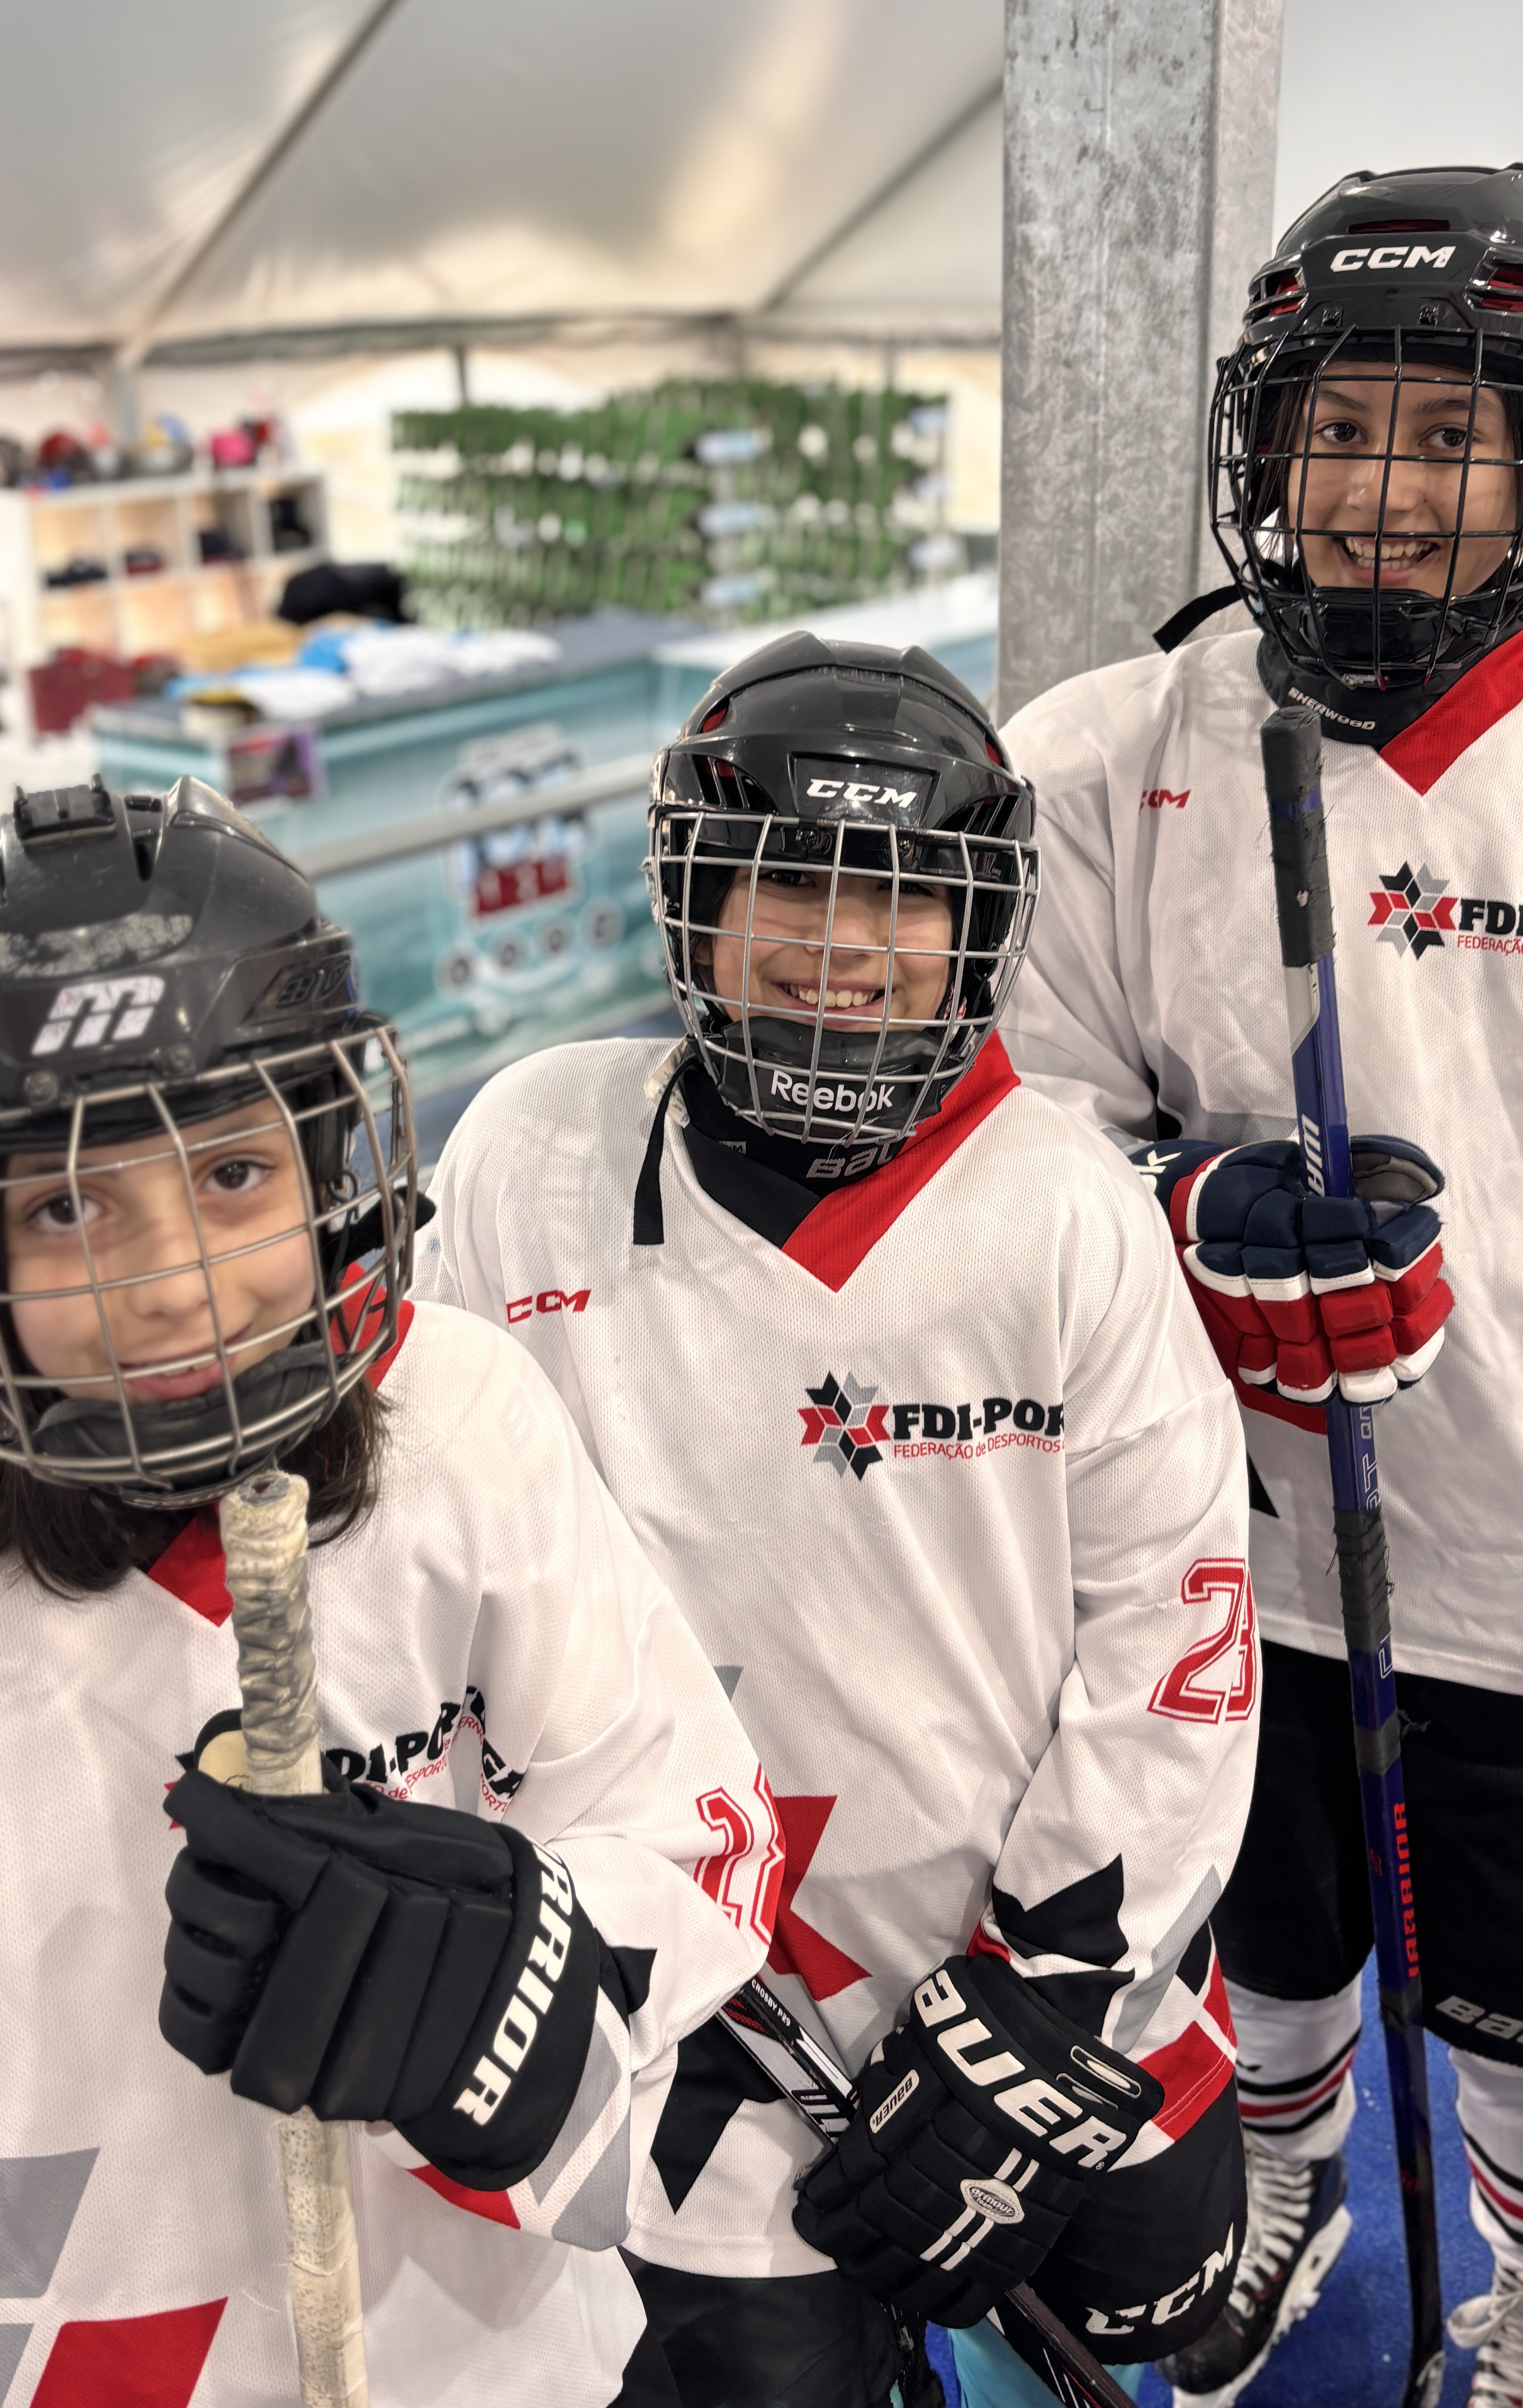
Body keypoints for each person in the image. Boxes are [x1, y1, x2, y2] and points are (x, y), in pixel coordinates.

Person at [999, 163, 1523, 2408]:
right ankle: (1286, 2193)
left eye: (1448, 436)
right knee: (1260, 1960)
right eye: (1339, 428)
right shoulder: (1098, 751)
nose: (1380, 488)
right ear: (1265, 444)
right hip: (1212, 1538)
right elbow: (1031, 1133)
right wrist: (1184, 1205)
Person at [0, 774, 777, 2408]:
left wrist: (523, 1972)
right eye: (66, 1204)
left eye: (231, 1179)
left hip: (460, 2362)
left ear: (329, 1159)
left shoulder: (459, 1415)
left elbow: (704, 1835)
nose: (173, 1286)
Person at [415, 633, 1260, 2408]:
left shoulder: (1068, 1211)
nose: (844, 945)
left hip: (1027, 1972)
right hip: (686, 2012)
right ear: (694, 899)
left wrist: (1041, 2002)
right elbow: (432, 1552)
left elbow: (1175, 1638)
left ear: (980, 924)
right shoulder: (528, 1154)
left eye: (903, 897)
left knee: (1141, 2315)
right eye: (789, 883)